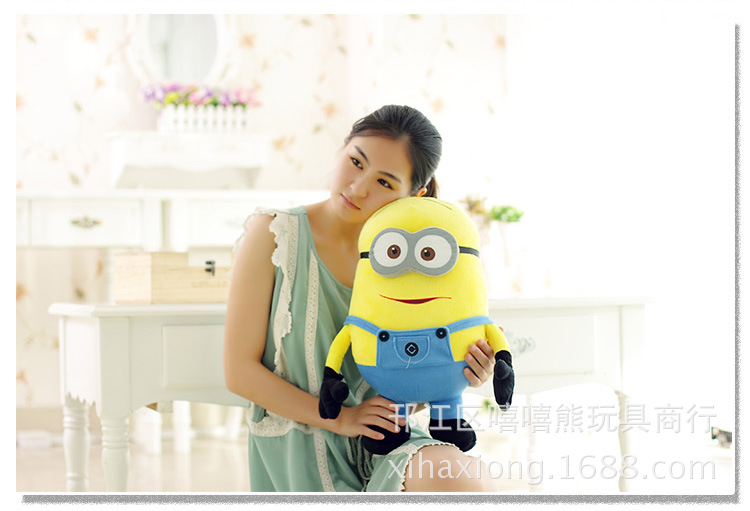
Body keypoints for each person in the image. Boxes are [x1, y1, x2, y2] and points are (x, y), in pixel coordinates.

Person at [224, 105, 501, 492]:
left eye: (385, 182)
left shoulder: (419, 258)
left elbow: (406, 380)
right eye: (356, 162)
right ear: (342, 149)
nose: (358, 188)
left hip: (387, 440)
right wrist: (343, 419)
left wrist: (462, 372)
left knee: (464, 480)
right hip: (299, 447)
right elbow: (239, 371)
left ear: (415, 195)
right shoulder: (274, 235)